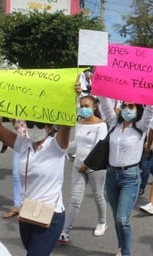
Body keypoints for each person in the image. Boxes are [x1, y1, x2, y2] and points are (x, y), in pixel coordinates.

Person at [0, 82, 81, 256]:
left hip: (51, 216)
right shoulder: (22, 144)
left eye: (39, 125)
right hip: (27, 214)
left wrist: (72, 99)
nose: (33, 128)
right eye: (30, 124)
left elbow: (67, 125)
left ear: (49, 127)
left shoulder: (57, 146)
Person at [96, 96, 153, 256]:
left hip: (130, 177)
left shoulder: (140, 127)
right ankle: (121, 247)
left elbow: (150, 110)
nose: (127, 109)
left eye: (131, 106)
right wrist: (100, 77)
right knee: (117, 218)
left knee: (122, 218)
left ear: (137, 109)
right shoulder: (114, 124)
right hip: (111, 176)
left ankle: (126, 252)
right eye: (125, 105)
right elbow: (105, 104)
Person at [59, 95, 108, 243]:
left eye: (87, 106)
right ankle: (65, 232)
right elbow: (76, 143)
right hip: (78, 166)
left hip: (95, 167)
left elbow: (100, 148)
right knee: (74, 199)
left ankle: (102, 222)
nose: (84, 108)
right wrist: (62, 147)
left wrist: (86, 165)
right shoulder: (79, 122)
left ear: (94, 107)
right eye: (82, 105)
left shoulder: (101, 125)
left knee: (98, 196)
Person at [2, 120, 29, 219]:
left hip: (36, 142)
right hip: (20, 140)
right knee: (16, 174)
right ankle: (17, 205)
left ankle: (31, 206)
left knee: (33, 175)